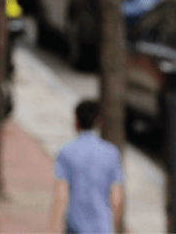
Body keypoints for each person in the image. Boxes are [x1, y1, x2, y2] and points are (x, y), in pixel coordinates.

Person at [47, 100, 124, 233]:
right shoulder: (111, 153)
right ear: (98, 122)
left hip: (75, 226)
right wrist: (117, 227)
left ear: (76, 121)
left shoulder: (66, 152)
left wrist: (52, 229)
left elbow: (61, 195)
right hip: (102, 227)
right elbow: (116, 198)